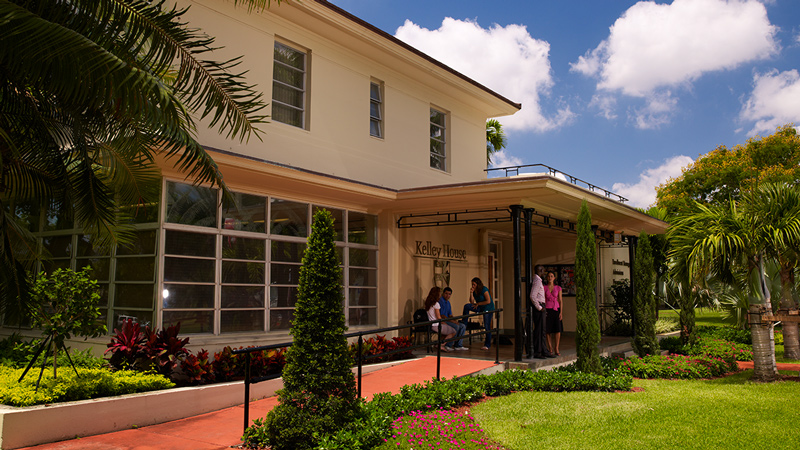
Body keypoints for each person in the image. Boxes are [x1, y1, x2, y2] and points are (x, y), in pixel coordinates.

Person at [529, 266, 553, 358]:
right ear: (540, 270)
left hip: (542, 305)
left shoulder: (538, 280)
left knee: (542, 330)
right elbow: (532, 296)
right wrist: (539, 307)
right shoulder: (537, 281)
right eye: (543, 270)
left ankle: (543, 350)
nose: (544, 272)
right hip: (539, 306)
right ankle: (538, 351)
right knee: (539, 330)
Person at [424, 286, 456, 352]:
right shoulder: (436, 304)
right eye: (439, 293)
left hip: (431, 324)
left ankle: (438, 344)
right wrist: (445, 323)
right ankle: (441, 345)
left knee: (445, 331)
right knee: (453, 331)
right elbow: (438, 317)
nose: (440, 294)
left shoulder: (428, 303)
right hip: (436, 325)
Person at [469, 277, 494, 350]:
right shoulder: (474, 291)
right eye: (472, 284)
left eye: (474, 284)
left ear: (478, 284)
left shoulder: (484, 289)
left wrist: (478, 303)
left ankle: (487, 344)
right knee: (467, 306)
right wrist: (471, 293)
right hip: (480, 307)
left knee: (487, 326)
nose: (473, 286)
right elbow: (471, 302)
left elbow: (488, 301)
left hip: (488, 308)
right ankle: (464, 322)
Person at [544, 270, 563, 355]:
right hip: (547, 309)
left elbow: (561, 300)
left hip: (556, 309)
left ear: (554, 278)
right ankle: (550, 348)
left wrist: (561, 312)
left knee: (557, 329)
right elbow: (543, 299)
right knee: (548, 330)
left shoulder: (558, 288)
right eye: (548, 276)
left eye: (552, 276)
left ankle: (557, 348)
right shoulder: (544, 287)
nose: (550, 278)